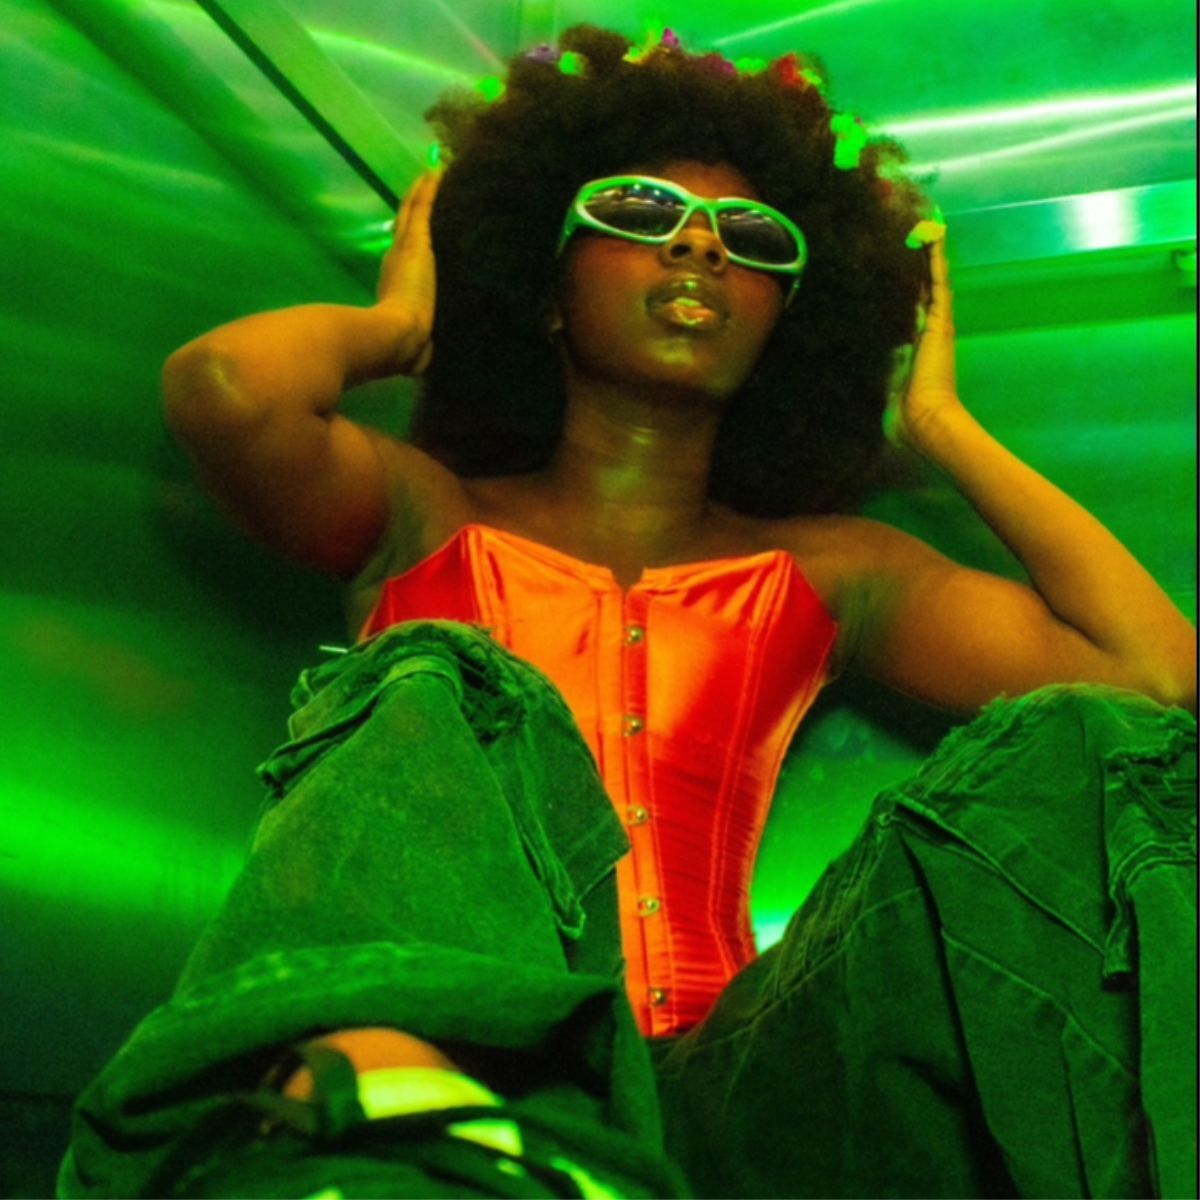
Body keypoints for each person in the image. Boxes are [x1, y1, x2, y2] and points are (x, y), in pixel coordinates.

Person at [60, 24, 1196, 1200]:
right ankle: (396, 1123)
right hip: (467, 1056)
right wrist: (401, 329)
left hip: (742, 1090)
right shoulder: (422, 516)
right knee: (440, 677)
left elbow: (1152, 683)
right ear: (547, 288)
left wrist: (939, 426)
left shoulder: (829, 570)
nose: (699, 243)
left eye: (754, 239)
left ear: (784, 322)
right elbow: (229, 391)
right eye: (640, 211)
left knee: (1076, 749)